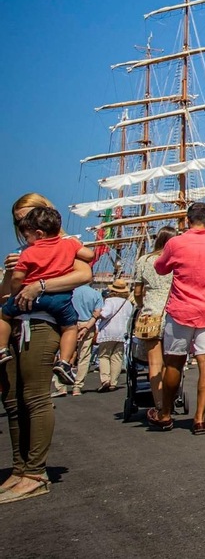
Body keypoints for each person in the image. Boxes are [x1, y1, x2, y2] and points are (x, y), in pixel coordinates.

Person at [1, 193, 94, 505]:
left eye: (28, 218)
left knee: (35, 397)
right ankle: (20, 467)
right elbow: (6, 295)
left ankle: (35, 472)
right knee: (13, 399)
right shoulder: (23, 249)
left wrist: (37, 284)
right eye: (18, 221)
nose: (22, 224)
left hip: (42, 320)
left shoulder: (64, 242)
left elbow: (84, 274)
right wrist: (11, 275)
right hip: (16, 321)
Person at [150, 202, 205, 434]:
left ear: (187, 220)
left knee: (174, 362)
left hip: (181, 309)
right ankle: (200, 418)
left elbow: (160, 268)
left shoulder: (176, 243)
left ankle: (165, 414)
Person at [0, 204, 89, 388]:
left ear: (38, 232)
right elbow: (89, 254)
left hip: (32, 305)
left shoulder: (27, 251)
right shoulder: (69, 244)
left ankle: (1, 349)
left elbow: (17, 278)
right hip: (60, 300)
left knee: (3, 315)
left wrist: (15, 293)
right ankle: (64, 362)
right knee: (70, 328)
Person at [132, 227, 178, 409]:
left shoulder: (143, 261)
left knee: (154, 364)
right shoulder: (175, 261)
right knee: (171, 362)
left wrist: (141, 304)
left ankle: (159, 404)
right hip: (172, 312)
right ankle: (168, 400)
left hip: (150, 313)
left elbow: (137, 291)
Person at [63, 274, 104, 396]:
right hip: (88, 323)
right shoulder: (96, 294)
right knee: (84, 357)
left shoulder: (70, 292)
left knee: (63, 355)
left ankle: (61, 386)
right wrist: (86, 327)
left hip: (69, 323)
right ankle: (77, 386)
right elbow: (97, 313)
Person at [93, 277, 134, 392]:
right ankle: (113, 382)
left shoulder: (109, 301)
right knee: (117, 357)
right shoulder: (128, 303)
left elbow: (105, 314)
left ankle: (105, 378)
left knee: (104, 355)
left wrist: (97, 314)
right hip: (122, 332)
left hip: (108, 331)